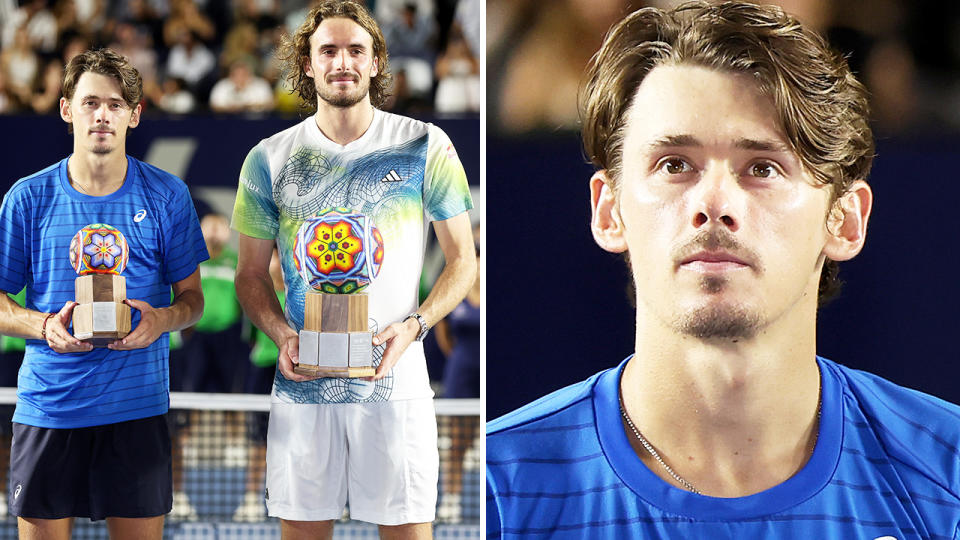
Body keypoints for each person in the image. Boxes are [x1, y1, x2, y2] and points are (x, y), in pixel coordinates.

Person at [486, 2, 960, 538]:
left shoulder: (949, 476)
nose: (713, 202)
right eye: (675, 165)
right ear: (608, 210)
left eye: (763, 167)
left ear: (845, 221)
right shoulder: (493, 490)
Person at [231, 1, 476, 538]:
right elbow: (250, 275)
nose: (342, 61)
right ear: (309, 64)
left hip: (396, 387)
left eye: (355, 50)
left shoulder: (426, 145)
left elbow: (463, 262)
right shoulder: (267, 158)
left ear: (375, 62)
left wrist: (415, 327)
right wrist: (280, 333)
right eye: (328, 50)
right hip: (303, 389)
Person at [0, 48, 207, 539]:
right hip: (50, 409)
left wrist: (162, 320)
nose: (102, 115)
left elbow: (192, 301)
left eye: (116, 105)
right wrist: (42, 324)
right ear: (67, 108)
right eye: (91, 102)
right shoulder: (28, 198)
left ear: (134, 116)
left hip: (137, 413)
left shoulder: (168, 195)